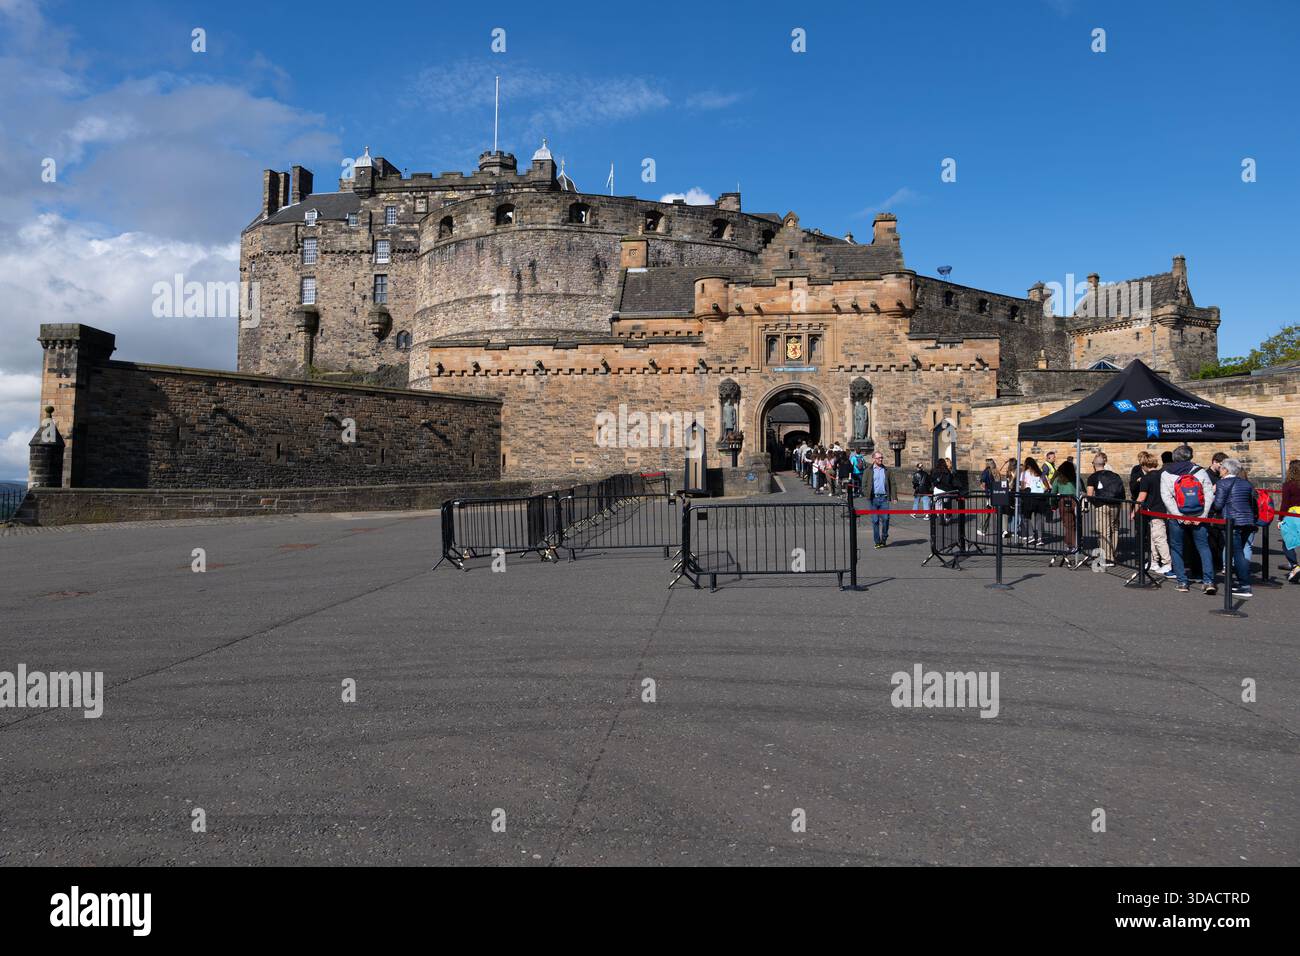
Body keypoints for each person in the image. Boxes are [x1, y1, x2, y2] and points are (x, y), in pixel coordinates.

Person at [1160, 444, 1216, 594]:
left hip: (1176, 517)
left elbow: (1167, 497)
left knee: (1177, 548)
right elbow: (1209, 494)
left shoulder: (1166, 473)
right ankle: (1208, 581)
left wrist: (1180, 516)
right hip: (1198, 514)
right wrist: (1203, 516)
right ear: (1190, 457)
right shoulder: (1200, 471)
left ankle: (1182, 582)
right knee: (1203, 547)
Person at [1211, 458, 1257, 599]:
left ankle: (1244, 585)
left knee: (1237, 554)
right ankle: (1241, 582)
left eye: (1222, 468)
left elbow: (1218, 506)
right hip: (1247, 521)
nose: (1220, 470)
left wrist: (1213, 496)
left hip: (1233, 522)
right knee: (1239, 552)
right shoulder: (1246, 483)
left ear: (1226, 469)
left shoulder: (1222, 483)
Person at [1130, 450, 1172, 578]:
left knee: (1159, 538)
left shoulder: (1146, 478)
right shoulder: (1163, 475)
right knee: (1154, 538)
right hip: (1163, 509)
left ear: (1143, 465)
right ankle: (1154, 561)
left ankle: (1167, 563)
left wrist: (1134, 511)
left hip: (1154, 510)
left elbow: (1141, 497)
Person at [1085, 452, 1125, 569]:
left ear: (1094, 464)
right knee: (1115, 530)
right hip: (1116, 504)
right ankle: (1112, 554)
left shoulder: (1093, 477)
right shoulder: (1115, 475)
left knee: (1104, 531)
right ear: (1104, 463)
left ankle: (1107, 558)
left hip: (1101, 505)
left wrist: (1094, 503)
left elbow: (1089, 494)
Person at [1050, 459, 1079, 567]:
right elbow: (1080, 489)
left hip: (1063, 501)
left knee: (1068, 524)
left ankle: (1070, 544)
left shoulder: (1058, 479)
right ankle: (1074, 543)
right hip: (1075, 500)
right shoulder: (1076, 478)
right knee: (1075, 524)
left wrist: (1052, 504)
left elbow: (1053, 492)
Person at [867, 450, 894, 548]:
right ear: (874, 459)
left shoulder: (887, 470)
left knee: (886, 519)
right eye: (879, 458)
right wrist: (867, 494)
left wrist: (894, 497)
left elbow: (892, 483)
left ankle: (884, 537)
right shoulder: (868, 470)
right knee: (875, 521)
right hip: (873, 499)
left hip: (884, 499)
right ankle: (877, 541)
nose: (881, 459)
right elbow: (864, 484)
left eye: (882, 457)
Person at [1279, 459, 1300, 583]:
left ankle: (1294, 565)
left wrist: (1280, 518)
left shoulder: (1288, 485)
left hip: (1292, 515)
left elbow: (1285, 503)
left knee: (1287, 542)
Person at [1019, 456, 1049, 546]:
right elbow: (1047, 486)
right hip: (1040, 498)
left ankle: (1031, 536)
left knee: (1026, 517)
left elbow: (1023, 487)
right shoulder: (1040, 473)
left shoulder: (1024, 473)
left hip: (1029, 498)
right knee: (1039, 518)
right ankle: (1040, 539)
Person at [978, 457, 999, 536]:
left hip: (992, 494)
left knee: (989, 512)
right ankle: (982, 529)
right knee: (987, 512)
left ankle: (982, 529)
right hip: (989, 495)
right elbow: (982, 483)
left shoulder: (993, 472)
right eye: (992, 463)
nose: (994, 464)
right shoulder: (987, 472)